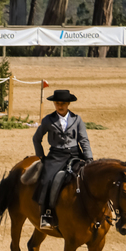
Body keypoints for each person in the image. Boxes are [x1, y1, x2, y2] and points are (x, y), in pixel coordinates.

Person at [32, 89, 92, 230]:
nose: (60, 106)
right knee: (47, 179)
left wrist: (89, 158)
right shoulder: (48, 120)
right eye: (58, 103)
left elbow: (84, 140)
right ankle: (46, 215)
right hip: (56, 156)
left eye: (63, 103)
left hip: (75, 154)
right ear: (54, 104)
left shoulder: (77, 120)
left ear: (68, 104)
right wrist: (41, 156)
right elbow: (36, 138)